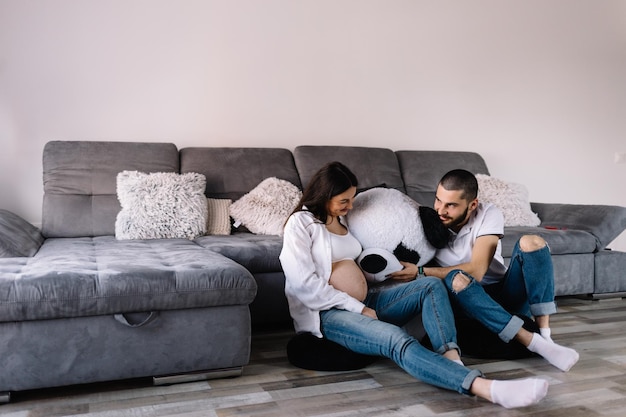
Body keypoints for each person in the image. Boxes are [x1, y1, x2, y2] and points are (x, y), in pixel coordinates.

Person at [279, 161, 549, 409]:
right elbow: (305, 286)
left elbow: (357, 266)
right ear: (325, 195)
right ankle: (486, 388)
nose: (350, 207)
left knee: (431, 285)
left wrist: (387, 272)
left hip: (365, 301)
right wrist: (357, 309)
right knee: (396, 339)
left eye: (351, 199)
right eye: (344, 201)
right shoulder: (300, 224)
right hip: (330, 313)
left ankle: (452, 359)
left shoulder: (340, 220)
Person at [390, 169, 579, 372]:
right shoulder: (430, 221)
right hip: (464, 298)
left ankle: (546, 336)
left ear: (472, 205)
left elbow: (477, 270)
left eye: (451, 205)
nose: (441, 210)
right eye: (438, 200)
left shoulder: (488, 213)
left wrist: (420, 272)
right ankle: (534, 342)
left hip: (503, 293)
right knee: (457, 278)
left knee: (532, 242)